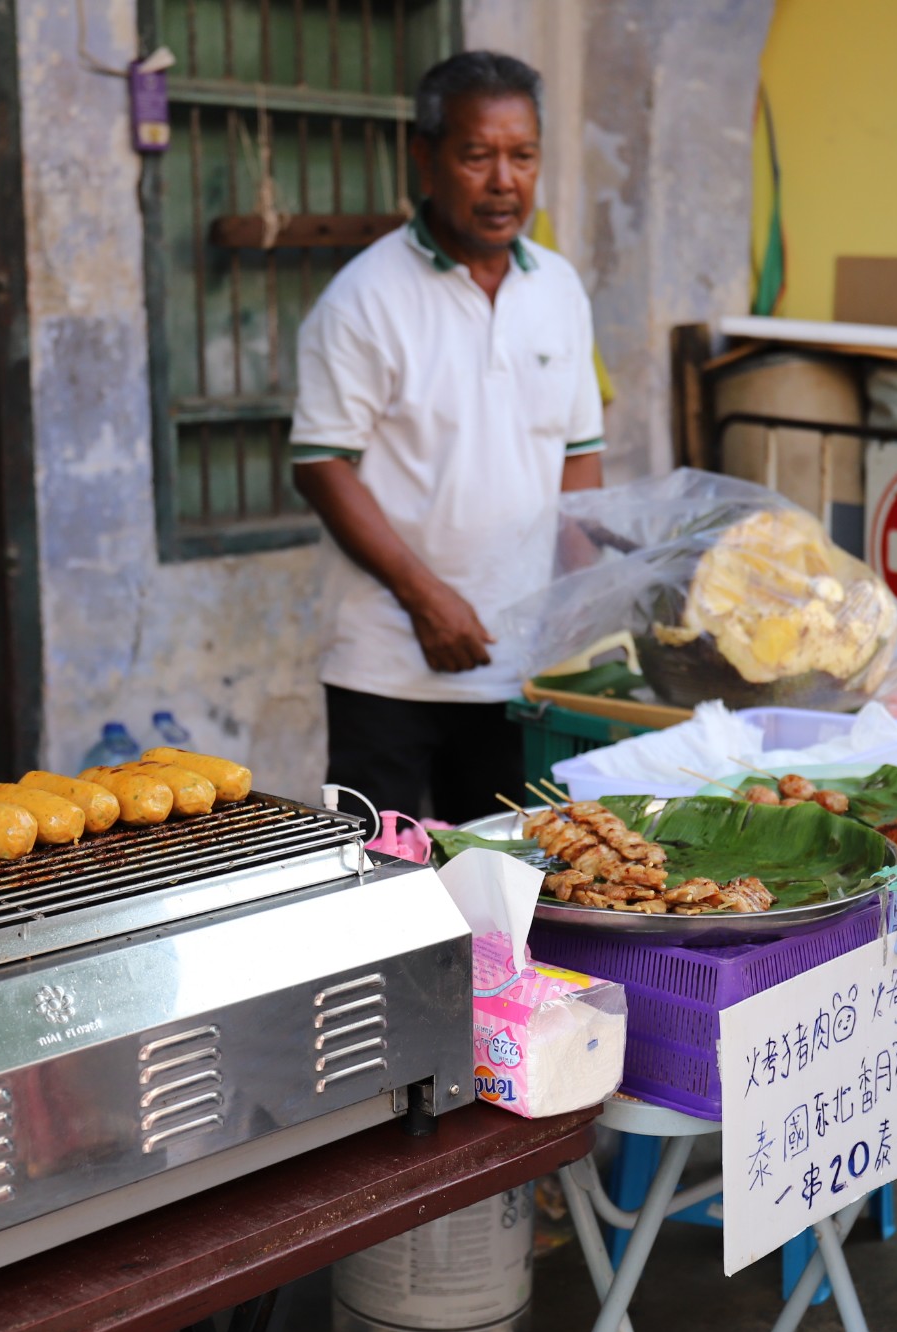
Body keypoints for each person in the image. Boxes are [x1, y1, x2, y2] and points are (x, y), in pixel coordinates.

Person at [290, 51, 604, 825]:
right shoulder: (364, 299)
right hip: (389, 669)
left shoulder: (558, 289)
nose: (505, 180)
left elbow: (579, 458)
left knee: (513, 894)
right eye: (478, 155)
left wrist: (586, 611)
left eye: (522, 155)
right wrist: (426, 598)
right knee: (378, 891)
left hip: (520, 674)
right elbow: (321, 463)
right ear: (425, 159)